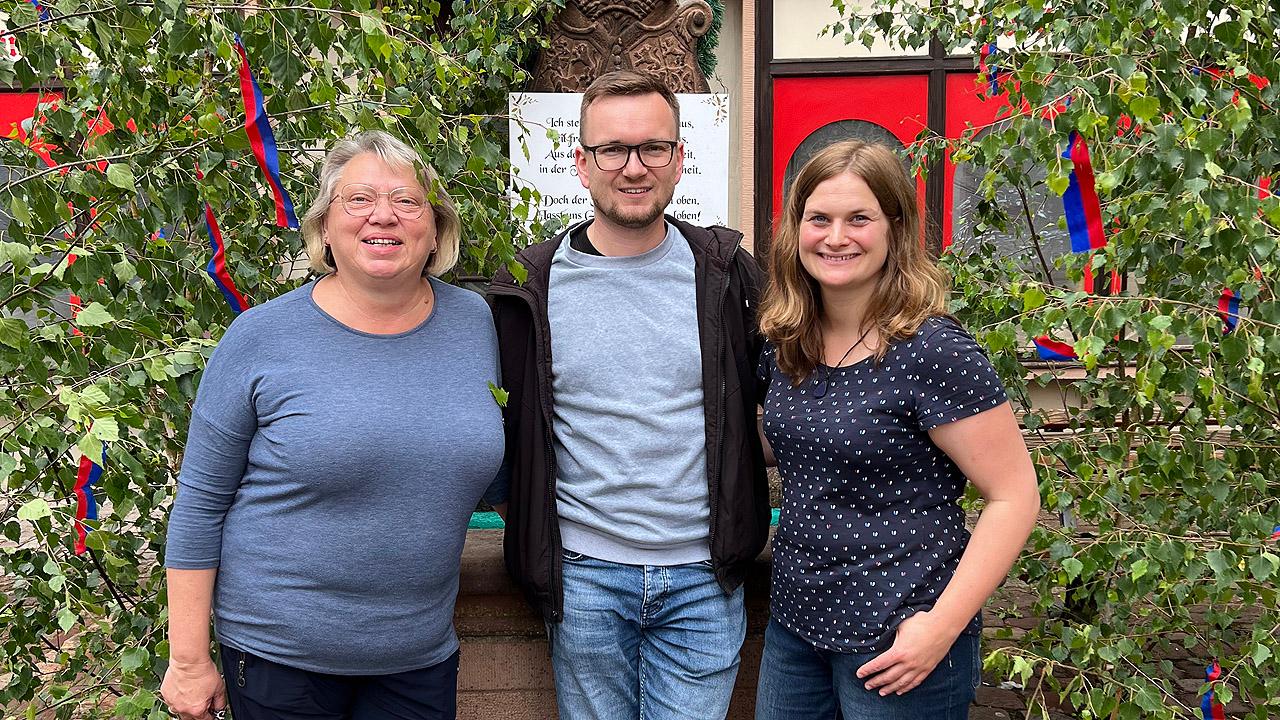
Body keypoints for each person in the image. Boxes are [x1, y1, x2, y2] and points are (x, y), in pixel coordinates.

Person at [160, 130, 507, 720]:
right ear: (324, 226)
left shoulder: (474, 323)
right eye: (359, 199)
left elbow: (479, 464)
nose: (384, 216)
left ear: (435, 227)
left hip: (419, 655)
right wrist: (189, 661)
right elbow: (200, 503)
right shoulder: (261, 338)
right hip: (281, 661)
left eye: (406, 200)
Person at [487, 70, 770, 720]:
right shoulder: (527, 286)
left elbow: (792, 393)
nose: (633, 167)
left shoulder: (728, 275)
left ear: (678, 159)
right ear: (582, 164)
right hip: (585, 577)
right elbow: (502, 430)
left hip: (705, 577)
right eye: (613, 149)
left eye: (653, 148)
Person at [753, 140, 1040, 719]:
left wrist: (940, 628)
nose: (836, 237)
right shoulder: (785, 342)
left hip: (901, 633)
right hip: (796, 625)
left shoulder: (933, 351)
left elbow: (1015, 496)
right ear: (795, 230)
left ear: (895, 228)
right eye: (819, 219)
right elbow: (795, 444)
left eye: (859, 218)